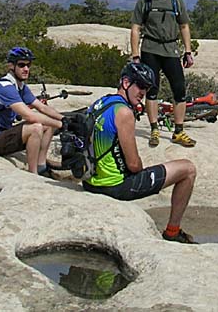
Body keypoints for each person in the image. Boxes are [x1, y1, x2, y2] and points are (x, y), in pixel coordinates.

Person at [82, 62, 198, 243]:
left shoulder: (101, 103)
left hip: (90, 182)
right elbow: (134, 165)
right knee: (188, 169)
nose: (143, 92)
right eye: (141, 85)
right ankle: (172, 232)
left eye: (147, 88)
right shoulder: (124, 113)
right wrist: (141, 171)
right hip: (114, 186)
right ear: (126, 83)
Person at [130, 0, 197, 148]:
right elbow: (135, 28)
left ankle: (179, 131)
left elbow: (184, 26)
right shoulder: (145, 2)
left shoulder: (175, 0)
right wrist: (135, 55)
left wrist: (188, 51)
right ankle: (154, 130)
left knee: (179, 89)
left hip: (171, 49)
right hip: (150, 50)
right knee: (152, 90)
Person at [0, 46, 64, 176]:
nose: (26, 69)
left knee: (48, 125)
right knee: (35, 128)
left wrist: (64, 119)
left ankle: (41, 166)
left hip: (4, 133)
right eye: (21, 65)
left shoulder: (20, 86)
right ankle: (33, 173)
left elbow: (42, 107)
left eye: (28, 65)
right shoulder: (5, 87)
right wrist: (61, 124)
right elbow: (30, 116)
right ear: (11, 66)